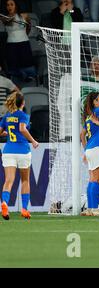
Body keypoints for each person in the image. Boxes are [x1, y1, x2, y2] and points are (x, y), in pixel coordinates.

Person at [0, 92, 39, 220]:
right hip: (23, 151)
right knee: (25, 180)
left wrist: (7, 132)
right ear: (23, 103)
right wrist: (33, 141)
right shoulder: (23, 115)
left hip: (9, 151)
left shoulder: (6, 117)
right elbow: (22, 129)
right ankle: (24, 209)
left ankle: (4, 203)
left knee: (9, 180)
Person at [80, 92, 99, 216]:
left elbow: (82, 134)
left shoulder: (88, 116)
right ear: (94, 102)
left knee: (92, 179)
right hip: (97, 148)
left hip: (90, 149)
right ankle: (95, 209)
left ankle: (90, 209)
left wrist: (86, 150)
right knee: (98, 179)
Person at [0, 0, 36, 82]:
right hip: (11, 44)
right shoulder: (4, 18)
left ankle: (28, 80)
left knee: (28, 66)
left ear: (16, 5)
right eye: (7, 5)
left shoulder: (25, 16)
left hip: (24, 43)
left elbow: (29, 27)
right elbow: (8, 22)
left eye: (11, 4)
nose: (9, 7)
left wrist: (23, 36)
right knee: (13, 67)